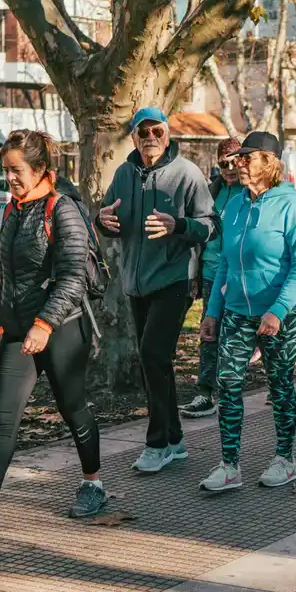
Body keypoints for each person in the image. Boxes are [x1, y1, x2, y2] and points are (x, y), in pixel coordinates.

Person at [0, 132, 104, 533]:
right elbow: (8, 277)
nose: (9, 178)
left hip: (64, 327)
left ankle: (93, 483)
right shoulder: (13, 210)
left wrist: (44, 325)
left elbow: (71, 279)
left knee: (72, 407)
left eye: (16, 170)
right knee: (4, 416)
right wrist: (3, 323)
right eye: (6, 171)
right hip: (20, 329)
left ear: (40, 170)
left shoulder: (62, 209)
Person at [97, 107, 215, 473]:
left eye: (157, 132)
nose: (150, 138)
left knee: (151, 355)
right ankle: (176, 440)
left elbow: (210, 225)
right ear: (133, 136)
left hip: (173, 280)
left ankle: (157, 442)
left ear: (168, 134)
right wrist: (101, 220)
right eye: (143, 132)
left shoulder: (187, 174)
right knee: (158, 362)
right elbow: (108, 218)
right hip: (135, 283)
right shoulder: (124, 174)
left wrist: (178, 224)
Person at [198, 132, 296, 491]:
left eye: (248, 158)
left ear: (271, 162)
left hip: (280, 313)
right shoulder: (233, 207)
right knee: (228, 383)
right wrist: (212, 311)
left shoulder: (289, 203)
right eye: (237, 159)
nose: (238, 164)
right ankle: (229, 465)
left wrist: (277, 310)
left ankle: (285, 459)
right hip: (236, 311)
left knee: (279, 385)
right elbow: (224, 266)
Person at [182, 137, 245, 419]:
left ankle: (235, 387)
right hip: (210, 271)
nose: (229, 168)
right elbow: (200, 234)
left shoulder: (250, 192)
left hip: (239, 274)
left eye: (234, 162)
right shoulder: (211, 191)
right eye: (223, 164)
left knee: (237, 333)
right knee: (209, 332)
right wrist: (195, 274)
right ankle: (205, 392)